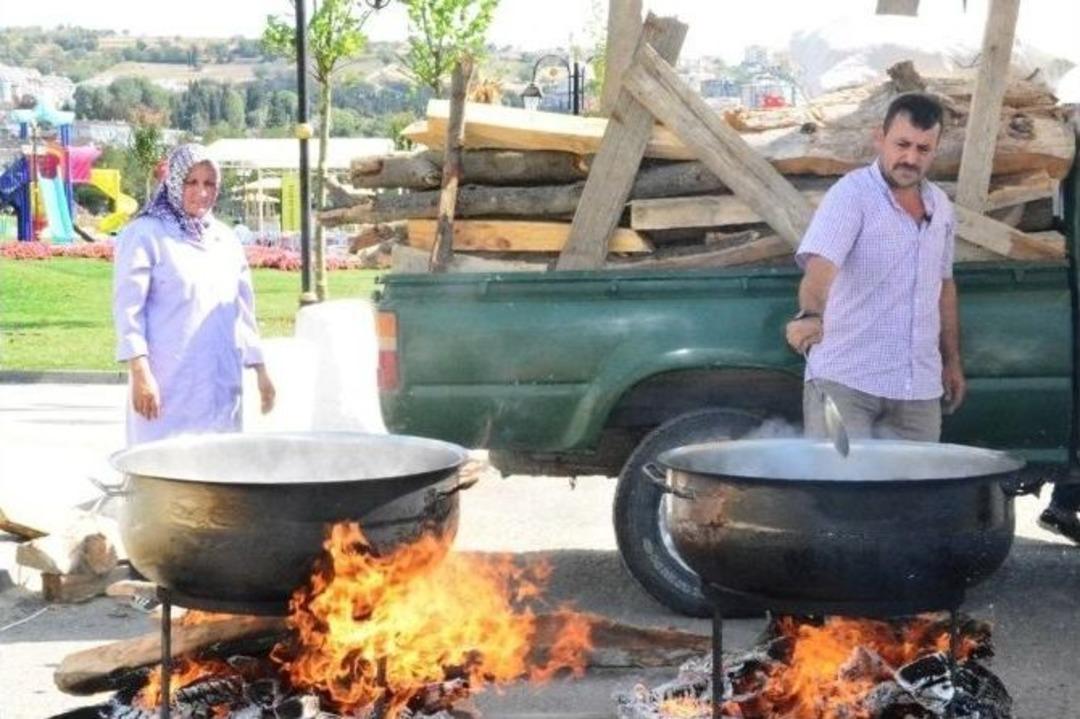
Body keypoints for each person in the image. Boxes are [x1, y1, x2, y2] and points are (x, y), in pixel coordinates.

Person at [785, 92, 964, 442]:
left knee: (918, 478)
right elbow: (821, 266)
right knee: (841, 477)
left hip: (918, 388)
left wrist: (952, 361)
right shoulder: (851, 195)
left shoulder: (941, 206)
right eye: (902, 144)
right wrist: (810, 314)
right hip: (847, 382)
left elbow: (944, 286)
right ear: (879, 138)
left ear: (935, 150)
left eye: (923, 149)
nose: (910, 158)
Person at [113, 143, 275, 446]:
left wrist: (261, 370)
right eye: (192, 182)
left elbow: (243, 311)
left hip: (220, 383)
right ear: (175, 182)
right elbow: (128, 310)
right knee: (164, 466)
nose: (201, 192)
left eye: (209, 183)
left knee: (218, 465)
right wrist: (140, 372)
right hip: (168, 384)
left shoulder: (225, 239)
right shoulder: (146, 234)